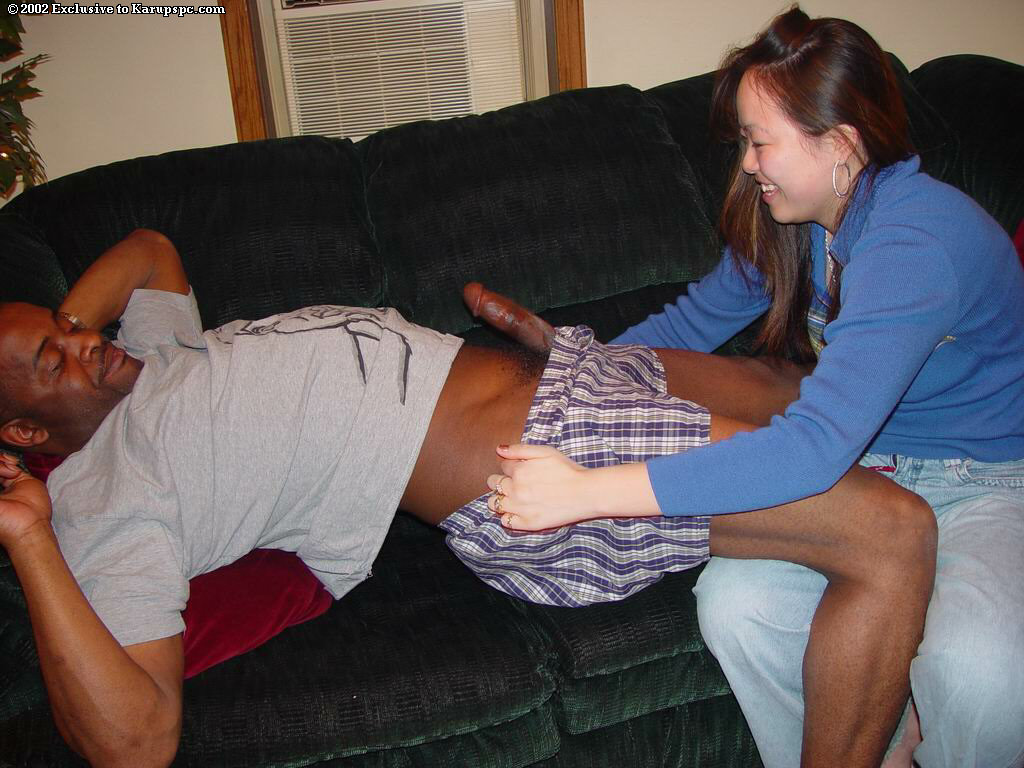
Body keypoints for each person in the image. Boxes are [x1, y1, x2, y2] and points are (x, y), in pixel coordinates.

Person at [0, 229, 934, 767]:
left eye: (70, 328)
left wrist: (67, 327)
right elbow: (136, 743)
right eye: (53, 359)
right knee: (889, 531)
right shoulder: (110, 494)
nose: (83, 343)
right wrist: (31, 539)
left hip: (576, 377)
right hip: (552, 467)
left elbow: (150, 250)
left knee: (799, 383)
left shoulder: (153, 354)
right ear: (25, 435)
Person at [478, 8, 1024, 768]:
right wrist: (574, 373)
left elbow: (809, 450)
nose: (747, 165)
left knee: (980, 676)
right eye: (743, 141)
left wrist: (588, 491)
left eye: (760, 142)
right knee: (736, 607)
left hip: (984, 483)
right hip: (875, 470)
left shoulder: (916, 242)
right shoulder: (799, 223)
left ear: (840, 143)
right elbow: (691, 321)